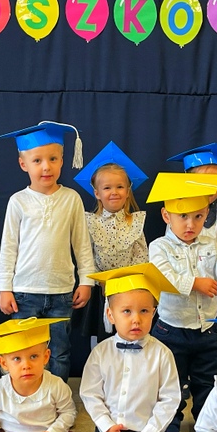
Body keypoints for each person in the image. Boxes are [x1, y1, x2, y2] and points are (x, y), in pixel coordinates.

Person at [0, 122, 96, 381]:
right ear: (23, 164)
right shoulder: (18, 201)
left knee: (59, 351)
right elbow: (8, 247)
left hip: (61, 292)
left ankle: (57, 397)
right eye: (37, 160)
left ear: (62, 160)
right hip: (25, 292)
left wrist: (86, 281)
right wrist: (5, 287)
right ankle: (27, 396)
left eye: (53, 159)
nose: (46, 167)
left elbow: (82, 244)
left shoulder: (71, 199)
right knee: (24, 350)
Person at [146, 172, 217, 432]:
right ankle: (171, 421)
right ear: (167, 216)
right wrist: (195, 283)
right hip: (172, 329)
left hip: (208, 329)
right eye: (183, 216)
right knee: (171, 380)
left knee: (205, 380)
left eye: (198, 217)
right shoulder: (159, 246)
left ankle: (205, 421)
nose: (190, 224)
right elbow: (162, 277)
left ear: (207, 213)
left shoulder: (211, 244)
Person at [80, 263, 181, 432]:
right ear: (110, 315)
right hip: (112, 429)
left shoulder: (162, 354)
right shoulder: (101, 352)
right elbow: (90, 393)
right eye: (127, 311)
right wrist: (106, 426)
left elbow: (170, 399)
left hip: (147, 429)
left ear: (153, 313)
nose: (136, 319)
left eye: (144, 311)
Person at [72, 141, 148, 341]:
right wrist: (96, 280)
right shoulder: (90, 223)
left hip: (129, 290)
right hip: (100, 291)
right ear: (97, 193)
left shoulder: (135, 223)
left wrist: (131, 284)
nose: (114, 192)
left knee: (129, 334)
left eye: (120, 187)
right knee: (101, 337)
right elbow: (86, 255)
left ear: (128, 191)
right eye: (107, 188)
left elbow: (141, 257)